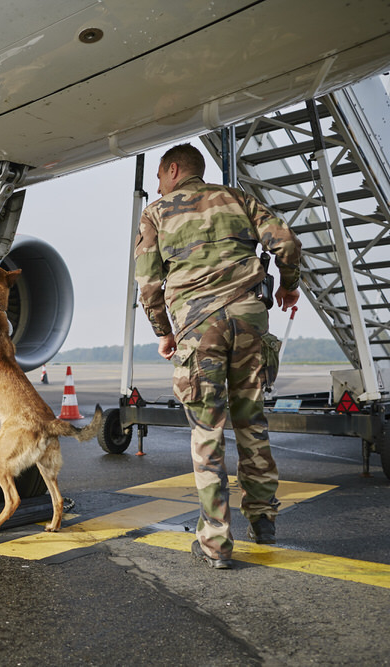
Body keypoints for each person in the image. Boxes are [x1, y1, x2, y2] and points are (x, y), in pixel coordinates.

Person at [134, 143, 301, 570]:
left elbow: (149, 284)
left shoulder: (157, 212)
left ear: (173, 170)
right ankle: (264, 523)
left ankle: (216, 544)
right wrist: (288, 285)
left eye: (158, 176)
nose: (157, 185)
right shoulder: (236, 197)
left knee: (207, 433)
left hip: (198, 328)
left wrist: (164, 332)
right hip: (249, 320)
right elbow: (286, 242)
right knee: (252, 421)